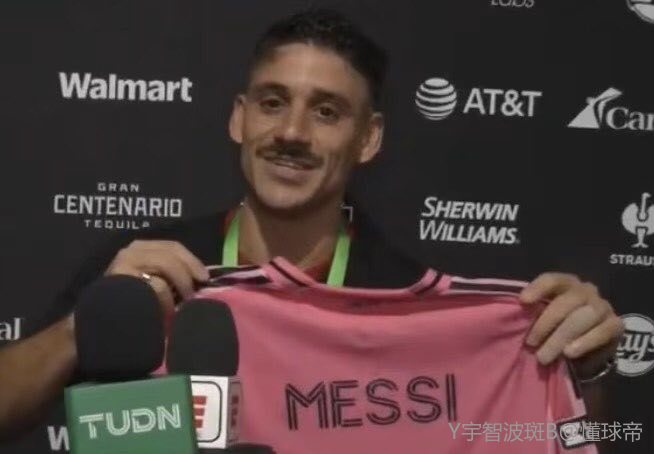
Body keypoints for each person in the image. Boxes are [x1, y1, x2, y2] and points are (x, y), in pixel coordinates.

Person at [0, 9, 623, 440]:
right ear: (239, 118)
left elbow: (582, 439)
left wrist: (587, 373)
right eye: (273, 103)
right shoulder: (143, 266)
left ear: (368, 138)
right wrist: (85, 326)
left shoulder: (418, 308)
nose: (292, 132)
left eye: (327, 112)